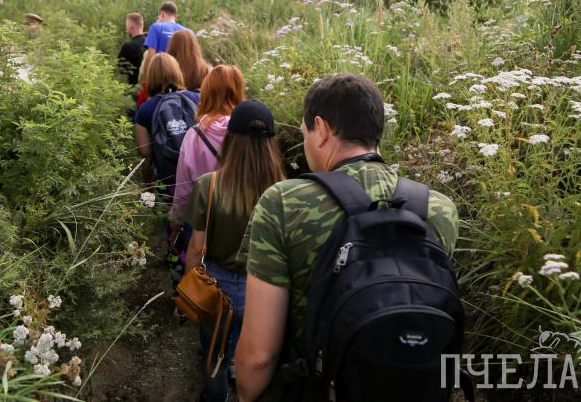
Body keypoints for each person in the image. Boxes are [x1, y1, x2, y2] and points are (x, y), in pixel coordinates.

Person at [235, 74, 459, 401]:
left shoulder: (283, 203)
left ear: (321, 129)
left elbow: (259, 356)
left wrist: (245, 395)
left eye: (305, 134)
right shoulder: (439, 208)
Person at [184, 100, 286, 402]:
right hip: (267, 291)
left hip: (218, 286)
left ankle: (217, 396)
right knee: (257, 357)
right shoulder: (285, 191)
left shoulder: (209, 185)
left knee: (213, 353)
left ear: (230, 139)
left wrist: (188, 290)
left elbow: (196, 247)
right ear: (271, 144)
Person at [167, 65, 245, 270]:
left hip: (201, 219)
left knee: (199, 273)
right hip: (240, 218)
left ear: (206, 92)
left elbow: (183, 188)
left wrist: (176, 224)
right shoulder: (246, 133)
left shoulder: (195, 135)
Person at [134, 53, 199, 193]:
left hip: (168, 182)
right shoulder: (196, 98)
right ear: (177, 72)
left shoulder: (145, 109)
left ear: (151, 77)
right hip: (200, 178)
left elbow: (145, 154)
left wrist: (148, 187)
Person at [143, 1, 190, 65]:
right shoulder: (189, 32)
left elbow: (150, 58)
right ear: (176, 16)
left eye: (158, 16)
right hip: (182, 71)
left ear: (162, 14)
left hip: (161, 69)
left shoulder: (155, 27)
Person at [117, 12, 146, 86]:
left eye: (126, 24)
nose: (126, 27)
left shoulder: (129, 46)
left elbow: (120, 69)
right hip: (149, 86)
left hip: (133, 87)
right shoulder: (151, 43)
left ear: (131, 26)